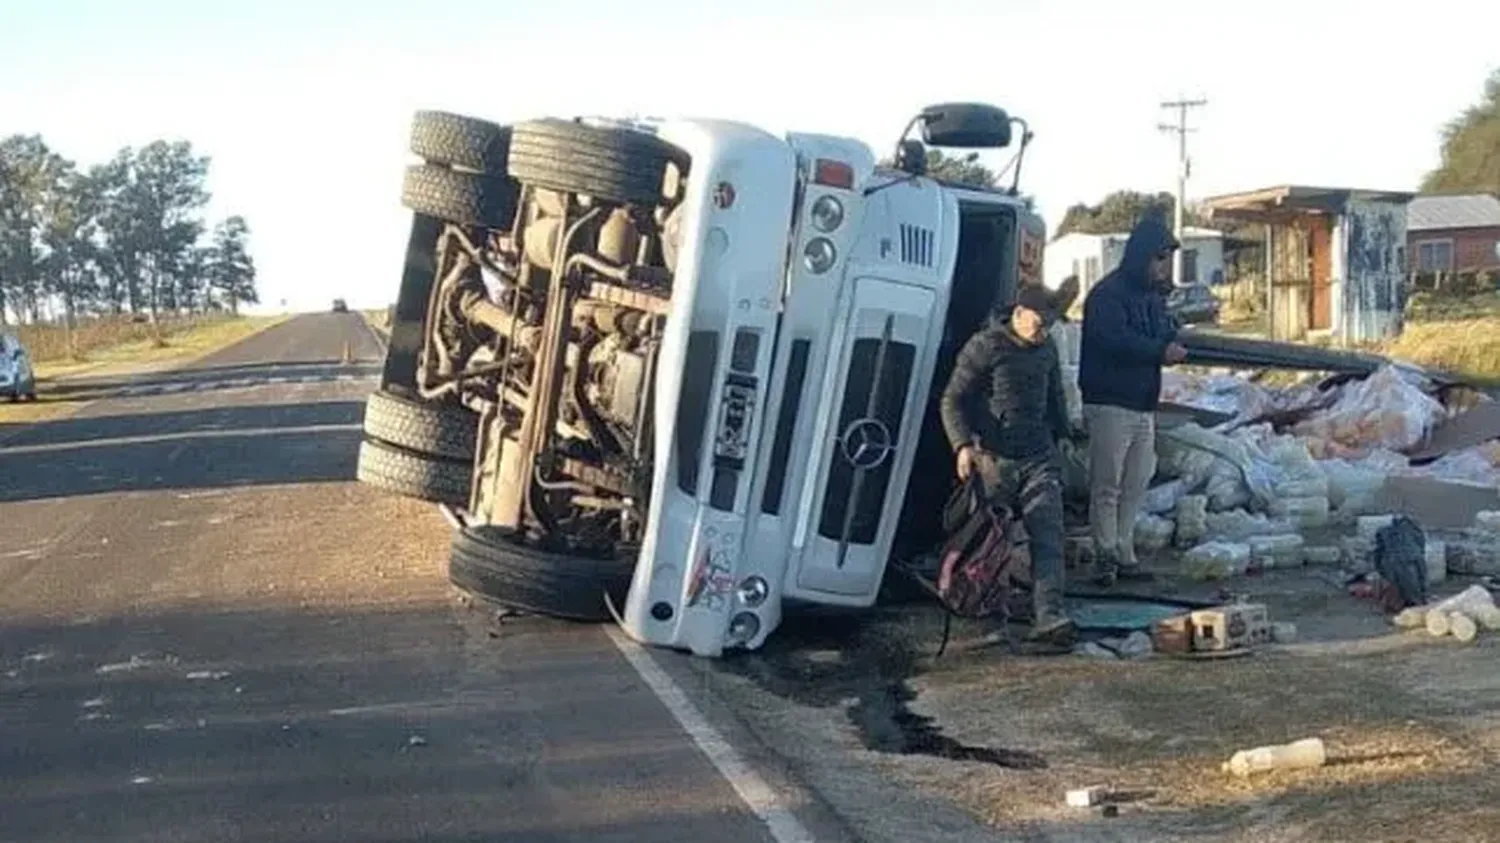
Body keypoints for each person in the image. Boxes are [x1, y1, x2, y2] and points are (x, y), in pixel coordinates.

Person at [940, 285, 1079, 643]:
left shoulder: (1046, 348)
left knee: (1048, 534)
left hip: (1038, 456)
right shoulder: (985, 346)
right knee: (989, 544)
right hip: (993, 459)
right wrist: (962, 446)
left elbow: (1055, 397)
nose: (1044, 330)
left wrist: (1064, 435)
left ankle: (1050, 615)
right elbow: (952, 400)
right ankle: (986, 617)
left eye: (1049, 324)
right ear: (1019, 314)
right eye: (1039, 322)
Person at [1078, 212, 1188, 586]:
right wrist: (1160, 351)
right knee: (1107, 484)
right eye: (1159, 259)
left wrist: (1170, 326)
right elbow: (1115, 341)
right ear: (1142, 257)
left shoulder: (1152, 299)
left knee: (1136, 482)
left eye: (1166, 260)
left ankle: (1125, 551)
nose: (1163, 267)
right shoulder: (1107, 295)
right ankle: (1105, 554)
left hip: (1142, 403)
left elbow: (1161, 331)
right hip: (1110, 401)